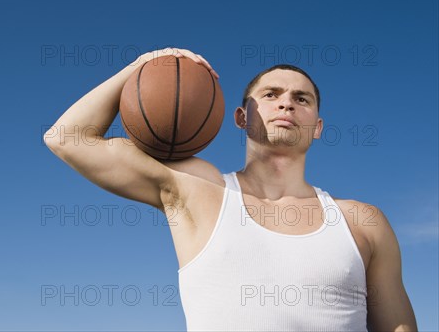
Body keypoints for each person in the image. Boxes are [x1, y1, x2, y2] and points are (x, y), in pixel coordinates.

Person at [43, 47, 418, 331]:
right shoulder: (198, 190)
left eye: (301, 99)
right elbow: (67, 138)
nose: (286, 102)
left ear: (317, 126)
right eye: (270, 95)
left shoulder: (362, 222)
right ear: (241, 117)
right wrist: (145, 64)